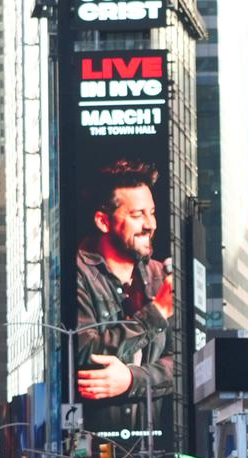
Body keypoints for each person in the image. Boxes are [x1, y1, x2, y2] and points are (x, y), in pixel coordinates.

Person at [73, 162, 175, 418]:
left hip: (153, 446)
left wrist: (132, 379)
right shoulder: (76, 275)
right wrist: (156, 314)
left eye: (152, 212)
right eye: (137, 214)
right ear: (103, 221)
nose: (150, 224)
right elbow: (86, 353)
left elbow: (186, 366)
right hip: (94, 447)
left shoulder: (161, 276)